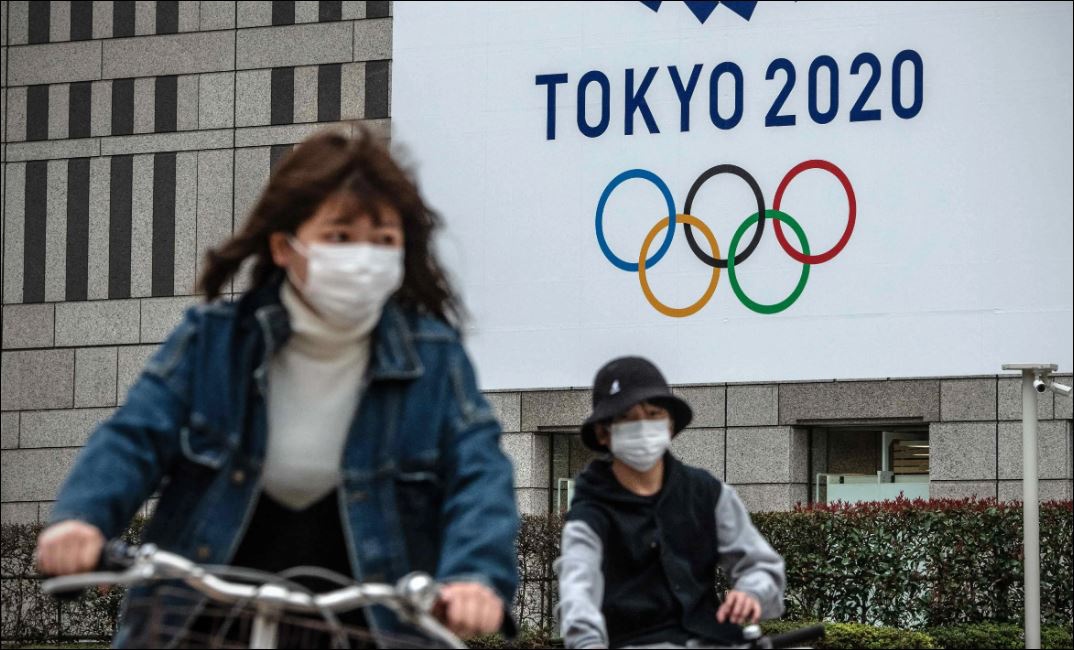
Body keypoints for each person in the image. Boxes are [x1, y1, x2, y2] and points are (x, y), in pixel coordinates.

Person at [34, 128, 519, 647]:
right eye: (339, 236)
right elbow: (134, 436)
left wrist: (475, 577)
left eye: (384, 241)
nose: (363, 258)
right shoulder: (215, 341)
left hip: (371, 624)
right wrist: (81, 521)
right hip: (202, 618)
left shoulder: (433, 356)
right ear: (284, 248)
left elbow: (479, 471)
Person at [555, 357, 786, 649]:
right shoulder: (589, 513)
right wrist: (587, 643)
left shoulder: (708, 492)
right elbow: (578, 590)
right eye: (628, 418)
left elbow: (760, 566)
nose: (643, 427)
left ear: (670, 424)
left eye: (653, 414)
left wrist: (752, 593)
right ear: (603, 432)